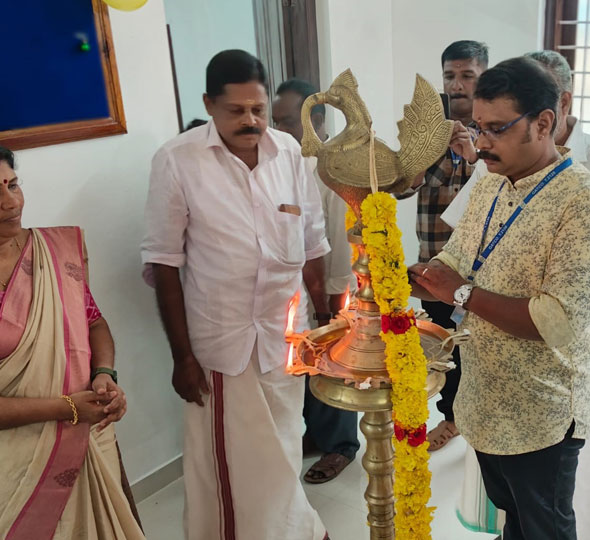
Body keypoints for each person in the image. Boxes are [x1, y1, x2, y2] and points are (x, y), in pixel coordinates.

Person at [409, 57, 590, 539]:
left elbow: (554, 320)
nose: (481, 143)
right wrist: (389, 276)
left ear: (543, 123)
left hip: (541, 413)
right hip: (485, 400)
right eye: (478, 128)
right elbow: (451, 264)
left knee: (544, 528)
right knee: (513, 520)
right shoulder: (490, 186)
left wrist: (459, 291)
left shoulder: (586, 203)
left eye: (496, 129)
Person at [142, 50, 331, 540]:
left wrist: (327, 323)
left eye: (259, 109)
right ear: (209, 104)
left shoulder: (290, 153)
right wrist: (182, 357)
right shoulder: (177, 160)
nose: (251, 121)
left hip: (285, 338)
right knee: (231, 470)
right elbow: (164, 264)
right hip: (222, 345)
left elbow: (313, 244)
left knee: (284, 454)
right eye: (236, 110)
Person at [0, 146, 143, 539]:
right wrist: (68, 408)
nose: (10, 203)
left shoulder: (55, 251)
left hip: (86, 439)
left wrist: (104, 376)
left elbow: (93, 323)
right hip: (13, 465)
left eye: (13, 185)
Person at [397, 40, 488, 451]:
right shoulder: (426, 132)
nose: (457, 85)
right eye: (450, 75)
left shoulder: (496, 132)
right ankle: (450, 417)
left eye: (467, 75)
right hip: (434, 267)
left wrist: (472, 155)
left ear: (483, 78)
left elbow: (499, 192)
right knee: (442, 346)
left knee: (478, 349)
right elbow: (401, 188)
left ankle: (473, 419)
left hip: (481, 272)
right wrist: (429, 149)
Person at [273, 78, 360, 484]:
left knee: (333, 364)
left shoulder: (333, 168)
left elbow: (340, 244)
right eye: (277, 121)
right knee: (307, 366)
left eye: (288, 122)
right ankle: (320, 434)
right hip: (298, 291)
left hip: (331, 290)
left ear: (318, 120)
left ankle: (342, 445)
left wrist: (333, 302)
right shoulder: (280, 164)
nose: (279, 130)